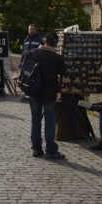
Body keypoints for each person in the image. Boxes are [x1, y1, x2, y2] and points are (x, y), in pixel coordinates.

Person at [26, 32, 67, 160]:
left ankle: (36, 148)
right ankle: (51, 150)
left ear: (44, 42)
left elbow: (26, 69)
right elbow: (63, 74)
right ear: (55, 44)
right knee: (50, 122)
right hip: (50, 93)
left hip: (34, 91)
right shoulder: (57, 58)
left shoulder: (33, 53)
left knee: (35, 120)